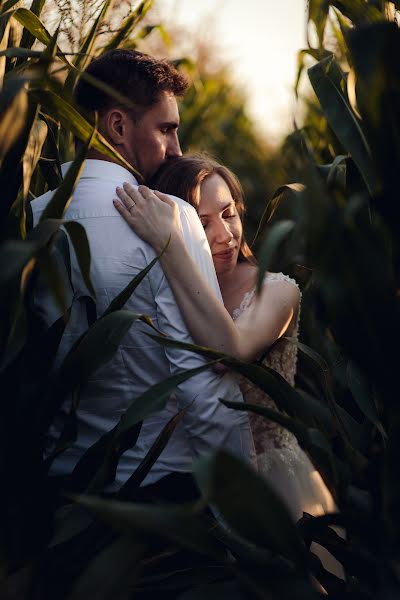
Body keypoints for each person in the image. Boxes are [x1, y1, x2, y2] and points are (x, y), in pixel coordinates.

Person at [31, 51, 256, 495]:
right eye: (166, 129)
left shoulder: (33, 217)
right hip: (159, 483)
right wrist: (237, 497)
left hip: (60, 485)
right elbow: (199, 384)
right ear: (117, 125)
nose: (176, 148)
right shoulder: (171, 217)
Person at [113, 154, 337, 522]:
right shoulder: (164, 292)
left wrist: (170, 244)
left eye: (228, 213)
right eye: (201, 223)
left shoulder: (277, 291)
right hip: (195, 482)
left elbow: (228, 353)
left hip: (275, 484)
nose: (224, 235)